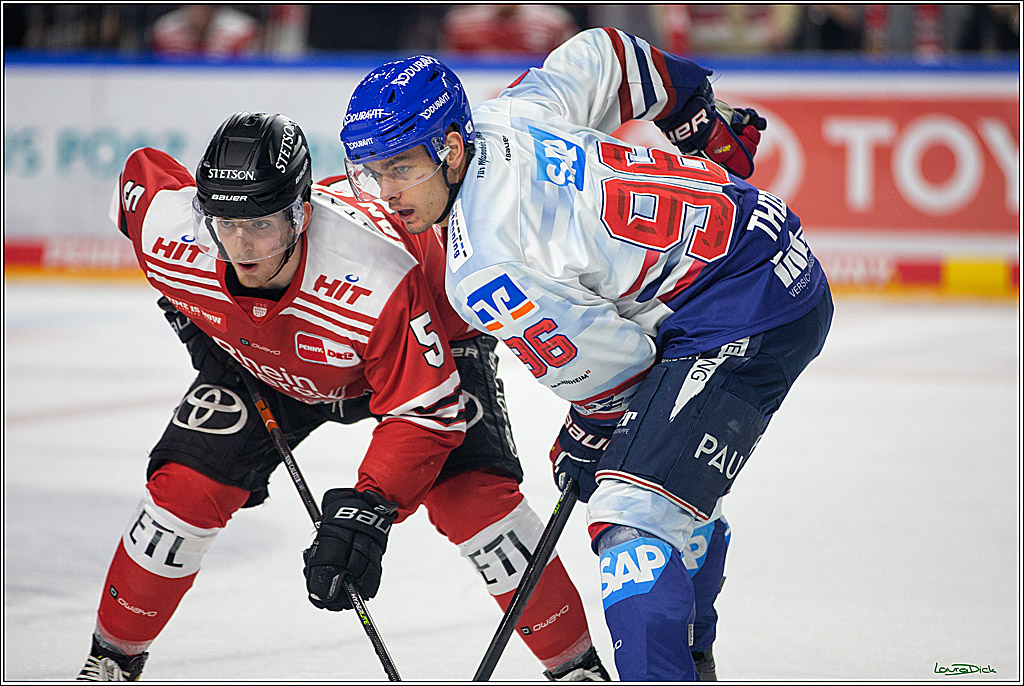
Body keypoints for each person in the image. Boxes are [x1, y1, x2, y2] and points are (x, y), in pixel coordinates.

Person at [340, 27, 832, 681]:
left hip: (745, 311)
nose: (387, 190)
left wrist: (591, 428)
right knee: (662, 484)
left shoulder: (484, 265)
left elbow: (621, 373)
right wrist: (696, 117)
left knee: (629, 517)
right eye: (374, 172)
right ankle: (690, 655)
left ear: (451, 148)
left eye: (401, 167)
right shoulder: (509, 111)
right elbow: (604, 53)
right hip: (758, 250)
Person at [76, 112, 610, 681]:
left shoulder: (376, 279)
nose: (240, 246)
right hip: (270, 361)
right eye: (224, 223)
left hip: (428, 341)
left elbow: (425, 414)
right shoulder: (173, 232)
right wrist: (192, 317)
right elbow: (137, 179)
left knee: (478, 507)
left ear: (301, 216)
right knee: (183, 493)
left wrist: (369, 509)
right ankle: (111, 658)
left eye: (262, 225)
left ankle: (576, 667)